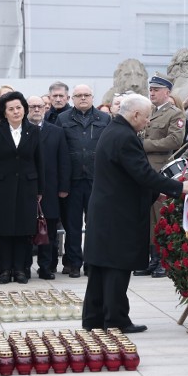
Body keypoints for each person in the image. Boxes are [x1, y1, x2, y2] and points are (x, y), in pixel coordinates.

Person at [82, 94, 188, 333]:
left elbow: (129, 175)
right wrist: (178, 187)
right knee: (116, 266)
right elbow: (143, 173)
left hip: (106, 210)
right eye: (146, 117)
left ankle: (94, 318)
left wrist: (156, 193)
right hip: (118, 213)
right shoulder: (125, 137)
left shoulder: (114, 131)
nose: (147, 122)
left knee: (100, 266)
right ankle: (115, 319)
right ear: (135, 115)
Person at [0, 91, 44, 285]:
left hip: (27, 186)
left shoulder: (33, 130)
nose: (16, 112)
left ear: (24, 109)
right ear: (4, 112)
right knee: (4, 229)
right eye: (11, 109)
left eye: (19, 107)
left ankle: (20, 270)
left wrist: (40, 189)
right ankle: (5, 269)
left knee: (24, 230)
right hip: (1, 186)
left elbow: (39, 161)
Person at [132, 73, 185, 278]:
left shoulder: (174, 114)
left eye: (156, 90)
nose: (152, 93)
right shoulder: (149, 112)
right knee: (146, 217)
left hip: (161, 170)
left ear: (167, 92)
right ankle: (150, 258)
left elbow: (174, 141)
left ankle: (163, 259)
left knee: (160, 216)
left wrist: (144, 146)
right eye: (151, 89)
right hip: (144, 171)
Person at [56, 84, 111, 277]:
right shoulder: (62, 119)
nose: (83, 98)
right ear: (72, 98)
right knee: (72, 225)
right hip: (72, 180)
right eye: (79, 95)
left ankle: (92, 263)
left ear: (92, 97)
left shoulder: (105, 118)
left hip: (96, 179)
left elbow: (109, 148)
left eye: (86, 95)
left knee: (94, 224)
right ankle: (73, 263)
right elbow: (58, 151)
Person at [27, 95, 71, 279]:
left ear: (46, 108)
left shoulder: (56, 131)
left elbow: (63, 161)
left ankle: (46, 267)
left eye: (40, 106)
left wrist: (63, 187)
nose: (37, 110)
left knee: (49, 231)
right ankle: (24, 267)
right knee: (26, 230)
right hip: (26, 189)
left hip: (51, 190)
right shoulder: (21, 130)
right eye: (32, 106)